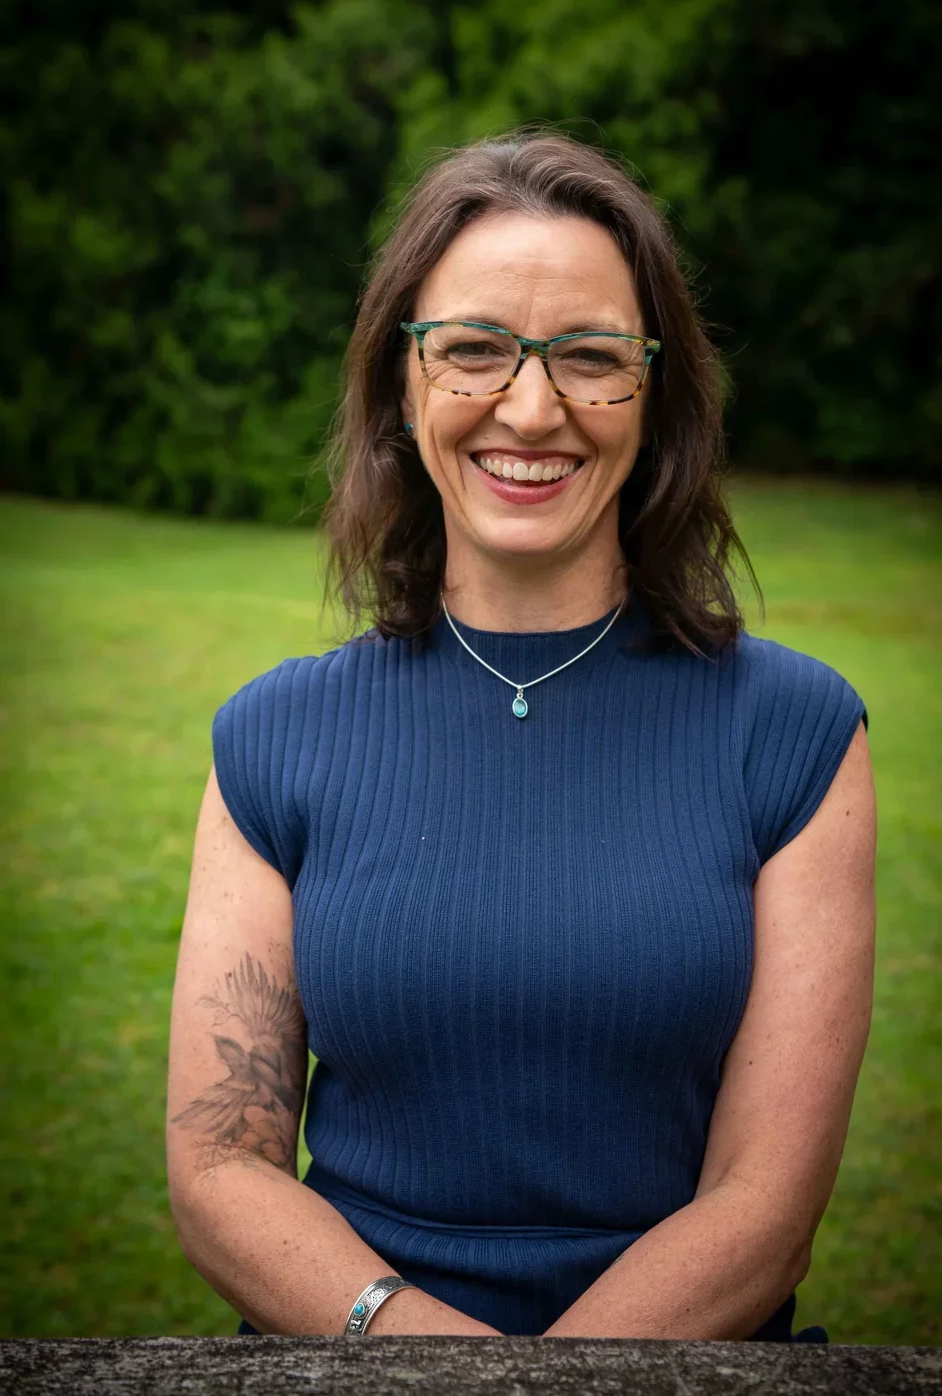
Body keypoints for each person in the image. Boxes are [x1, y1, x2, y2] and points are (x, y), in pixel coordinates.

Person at [166, 129, 876, 1342]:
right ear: (402, 382)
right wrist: (432, 1362)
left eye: (590, 356)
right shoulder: (272, 738)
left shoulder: (795, 736)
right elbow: (221, 1168)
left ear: (653, 396)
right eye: (475, 351)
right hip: (355, 1364)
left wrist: (556, 1388)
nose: (532, 408)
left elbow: (766, 1205)